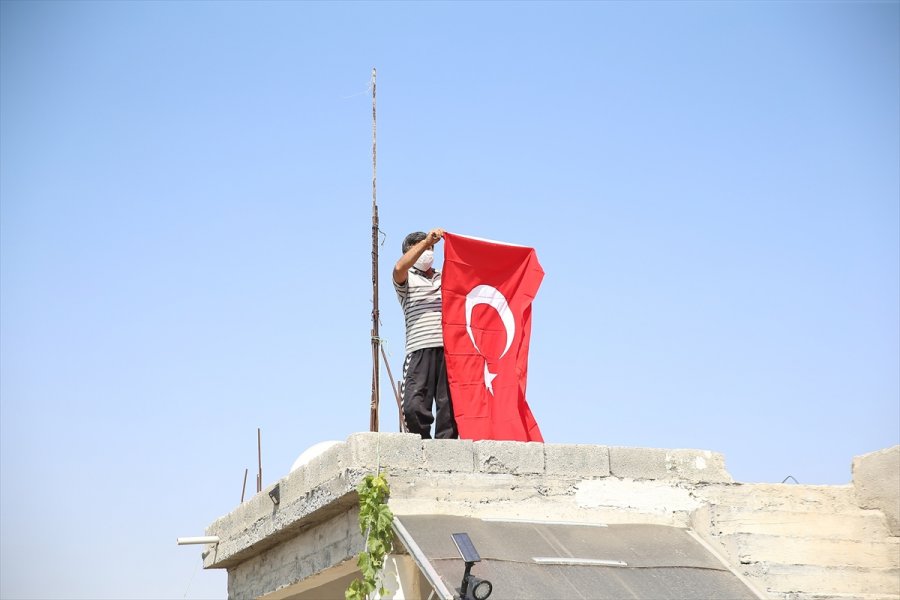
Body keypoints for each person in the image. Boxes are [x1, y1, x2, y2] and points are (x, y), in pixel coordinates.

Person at [393, 228, 458, 439]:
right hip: (419, 349)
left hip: (448, 350)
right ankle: (421, 445)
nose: (428, 252)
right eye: (423, 249)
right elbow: (399, 267)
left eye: (431, 248)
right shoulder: (407, 279)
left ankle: (446, 451)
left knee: (449, 407)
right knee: (413, 406)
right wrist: (426, 241)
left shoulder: (443, 277)